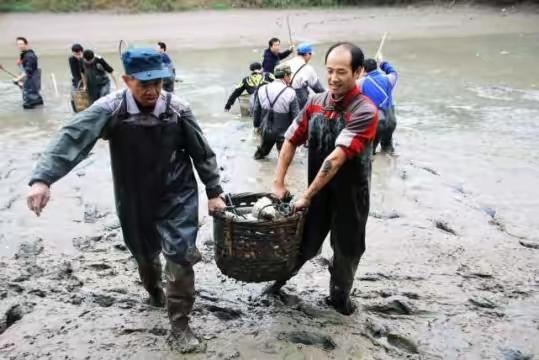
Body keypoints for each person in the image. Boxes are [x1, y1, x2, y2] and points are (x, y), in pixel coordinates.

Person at [26, 48, 226, 353]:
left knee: (180, 257)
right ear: (126, 80)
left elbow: (203, 152)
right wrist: (43, 179)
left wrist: (214, 191)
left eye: (158, 83)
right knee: (145, 256)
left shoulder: (178, 109)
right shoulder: (109, 108)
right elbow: (71, 138)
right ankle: (154, 290)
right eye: (144, 84)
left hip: (177, 193)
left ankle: (181, 325)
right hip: (133, 195)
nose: (152, 91)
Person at [267, 43, 378, 315]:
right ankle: (273, 287)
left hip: (351, 198)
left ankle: (339, 300)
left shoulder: (365, 111)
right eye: (329, 71)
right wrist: (278, 182)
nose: (333, 78)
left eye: (341, 72)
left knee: (347, 253)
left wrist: (306, 194)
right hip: (317, 197)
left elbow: (337, 158)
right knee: (301, 246)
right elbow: (291, 139)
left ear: (359, 72)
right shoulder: (315, 103)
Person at [252, 64, 299, 160]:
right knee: (283, 158)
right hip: (283, 131)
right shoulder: (291, 92)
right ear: (285, 76)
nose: (290, 78)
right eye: (289, 75)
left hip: (266, 129)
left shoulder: (262, 89)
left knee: (261, 154)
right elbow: (296, 116)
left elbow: (256, 110)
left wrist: (256, 125)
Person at [358, 54, 398, 154]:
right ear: (376, 67)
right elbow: (393, 72)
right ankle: (389, 164)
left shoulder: (361, 82)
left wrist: (360, 75)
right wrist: (382, 63)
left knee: (370, 152)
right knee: (387, 149)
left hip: (376, 121)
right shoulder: (389, 79)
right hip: (391, 120)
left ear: (364, 69)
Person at [281, 42, 325, 110]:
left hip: (283, 101)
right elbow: (319, 89)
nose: (310, 57)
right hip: (299, 104)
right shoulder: (308, 69)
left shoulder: (285, 64)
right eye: (310, 54)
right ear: (307, 54)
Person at [13, 37, 44, 109]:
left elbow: (28, 71)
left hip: (30, 91)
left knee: (29, 110)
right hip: (31, 89)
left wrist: (17, 79)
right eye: (18, 44)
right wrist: (20, 64)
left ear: (26, 44)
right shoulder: (25, 54)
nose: (19, 46)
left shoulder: (30, 56)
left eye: (21, 44)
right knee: (37, 107)